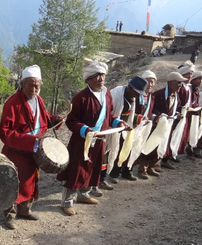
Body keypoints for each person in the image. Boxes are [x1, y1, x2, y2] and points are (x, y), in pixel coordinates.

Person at [56, 59, 127, 216]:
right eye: (97, 76)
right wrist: (86, 130)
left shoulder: (106, 94)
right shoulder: (81, 98)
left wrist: (119, 122)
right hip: (82, 141)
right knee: (77, 169)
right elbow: (72, 120)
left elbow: (110, 114)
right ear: (88, 79)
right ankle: (67, 202)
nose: (101, 79)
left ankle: (84, 194)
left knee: (92, 167)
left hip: (100, 139)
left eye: (102, 75)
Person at [0, 65, 62, 229]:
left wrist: (55, 120)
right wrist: (28, 141)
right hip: (17, 152)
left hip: (34, 150)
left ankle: (25, 210)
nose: (34, 89)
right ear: (22, 84)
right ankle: (9, 215)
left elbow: (44, 119)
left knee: (30, 181)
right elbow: (4, 132)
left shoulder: (39, 101)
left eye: (37, 85)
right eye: (30, 85)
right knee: (13, 183)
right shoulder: (12, 103)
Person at [108, 76, 148, 183]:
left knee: (124, 149)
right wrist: (118, 123)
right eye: (136, 92)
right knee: (109, 151)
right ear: (130, 88)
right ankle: (107, 176)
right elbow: (108, 114)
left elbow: (129, 114)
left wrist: (140, 118)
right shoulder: (115, 95)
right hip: (111, 127)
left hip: (124, 128)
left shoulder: (132, 98)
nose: (137, 95)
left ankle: (122, 171)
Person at [148, 72, 187, 171]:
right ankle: (148, 166)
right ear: (171, 83)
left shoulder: (176, 96)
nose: (180, 85)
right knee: (154, 144)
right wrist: (160, 116)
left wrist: (177, 114)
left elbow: (176, 107)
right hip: (158, 124)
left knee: (165, 142)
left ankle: (158, 163)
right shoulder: (158, 95)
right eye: (178, 83)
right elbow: (152, 108)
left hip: (168, 124)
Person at [137, 70, 158, 179]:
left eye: (152, 82)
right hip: (136, 125)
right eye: (148, 82)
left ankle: (143, 168)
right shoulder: (137, 95)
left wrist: (155, 117)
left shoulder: (152, 97)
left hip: (146, 126)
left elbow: (152, 111)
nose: (150, 85)